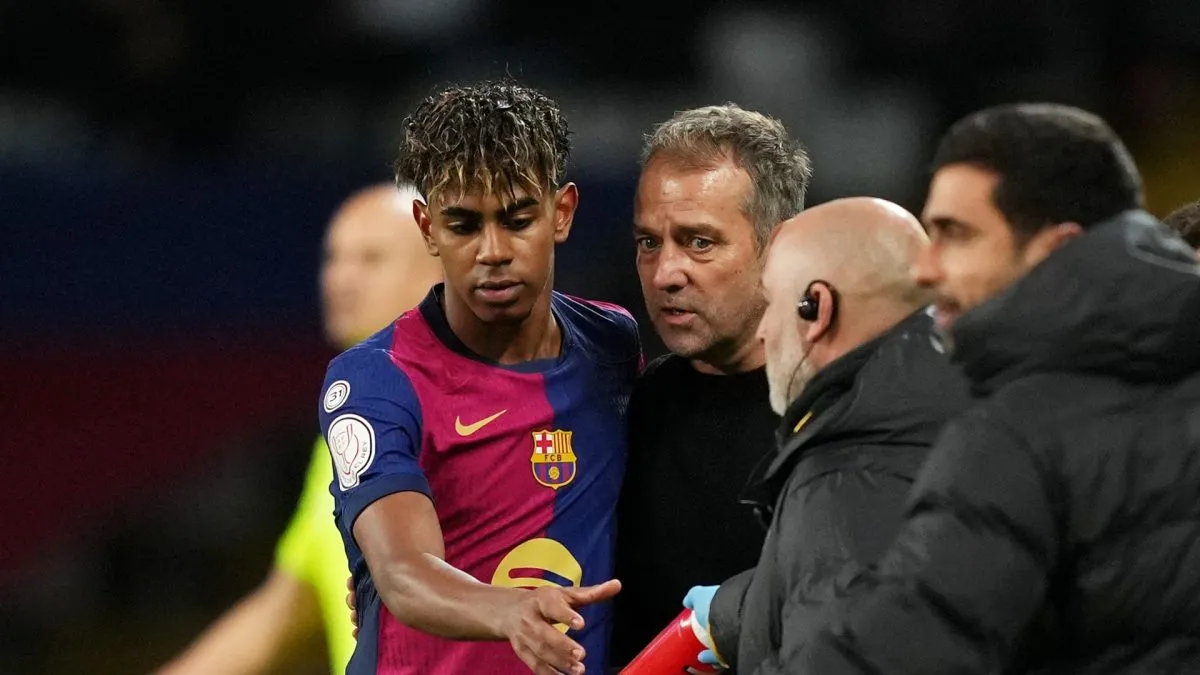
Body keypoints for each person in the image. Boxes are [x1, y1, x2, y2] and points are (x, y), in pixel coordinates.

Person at [795, 103, 1200, 674]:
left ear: (1055, 249)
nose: (925, 269)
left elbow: (897, 653)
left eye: (956, 235)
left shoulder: (1020, 433)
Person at [320, 81, 641, 675]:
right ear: (427, 227)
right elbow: (404, 571)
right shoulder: (377, 379)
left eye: (518, 220)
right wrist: (508, 609)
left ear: (562, 212)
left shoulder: (613, 345)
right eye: (464, 225)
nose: (493, 251)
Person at [158, 183, 443, 675]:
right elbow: (278, 614)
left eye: (372, 259)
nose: (342, 278)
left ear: (443, 273)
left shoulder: (468, 419)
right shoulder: (347, 435)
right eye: (334, 258)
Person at [678, 198, 970, 674]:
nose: (763, 332)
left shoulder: (850, 475)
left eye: (770, 304)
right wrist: (741, 612)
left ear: (817, 309)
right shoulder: (955, 412)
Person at [611, 103, 813, 666]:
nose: (665, 273)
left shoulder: (842, 416)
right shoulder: (628, 409)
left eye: (699, 242)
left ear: (778, 246)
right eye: (648, 242)